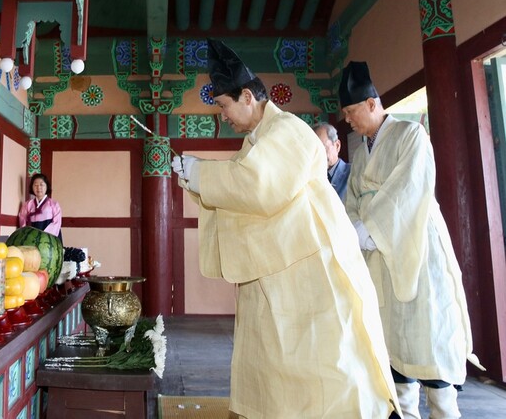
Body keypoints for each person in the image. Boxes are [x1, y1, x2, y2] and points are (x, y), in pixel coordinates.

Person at [171, 39, 399, 418]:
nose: (222, 116)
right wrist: (196, 180)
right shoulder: (254, 142)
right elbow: (241, 193)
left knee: (328, 370)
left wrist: (201, 172)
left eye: (224, 106)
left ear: (247, 97)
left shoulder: (288, 129)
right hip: (279, 272)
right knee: (276, 371)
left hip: (314, 270)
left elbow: (258, 186)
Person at [340, 61, 482, 419]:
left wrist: (369, 228)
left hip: (417, 247)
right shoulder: (359, 153)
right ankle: (403, 410)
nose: (348, 121)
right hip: (377, 256)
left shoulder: (411, 136)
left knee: (427, 333)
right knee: (391, 342)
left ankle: (443, 411)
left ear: (372, 104)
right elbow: (352, 200)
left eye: (352, 112)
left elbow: (410, 190)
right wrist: (358, 228)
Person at [19, 173, 63, 243]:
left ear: (46, 186)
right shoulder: (27, 204)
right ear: (32, 187)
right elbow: (23, 221)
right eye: (35, 185)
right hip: (32, 236)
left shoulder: (54, 204)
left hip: (50, 236)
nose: (38, 188)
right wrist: (27, 235)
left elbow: (56, 223)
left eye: (41, 185)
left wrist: (43, 237)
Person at [312, 121, 350, 200]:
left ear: (337, 146)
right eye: (314, 149)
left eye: (323, 147)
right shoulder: (310, 176)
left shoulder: (353, 173)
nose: (319, 154)